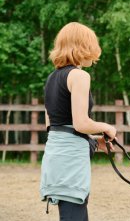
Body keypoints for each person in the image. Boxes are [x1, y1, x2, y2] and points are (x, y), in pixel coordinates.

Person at [40, 22, 117, 220]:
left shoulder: (51, 78)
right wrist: (106, 127)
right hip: (71, 159)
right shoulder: (80, 76)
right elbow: (80, 123)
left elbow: (54, 125)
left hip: (55, 155)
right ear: (83, 46)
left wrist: (92, 141)